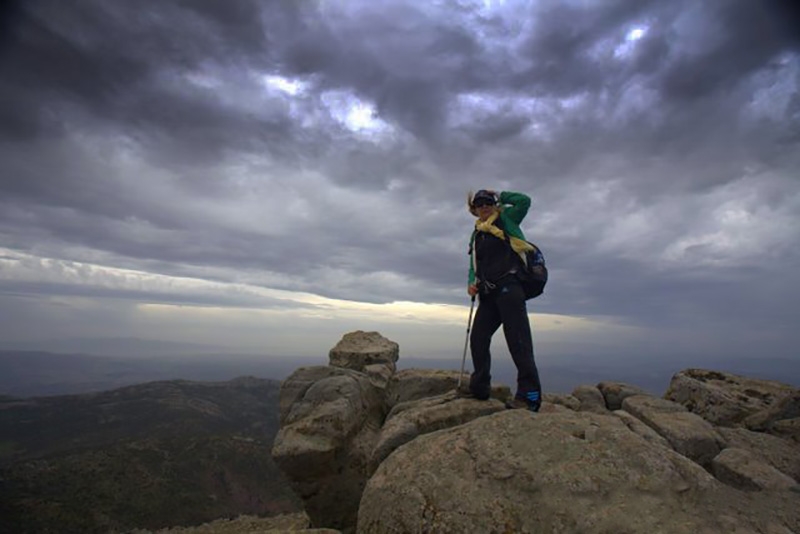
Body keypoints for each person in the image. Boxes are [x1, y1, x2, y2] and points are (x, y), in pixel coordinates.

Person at [465, 189, 542, 412]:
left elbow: (525, 201)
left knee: (518, 342)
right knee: (478, 338)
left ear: (494, 204)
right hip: (488, 293)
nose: (484, 206)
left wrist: (500, 193)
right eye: (479, 204)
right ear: (474, 209)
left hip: (511, 288)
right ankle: (479, 388)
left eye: (488, 202)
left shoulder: (506, 218)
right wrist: (472, 282)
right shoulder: (476, 233)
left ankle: (529, 397)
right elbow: (474, 265)